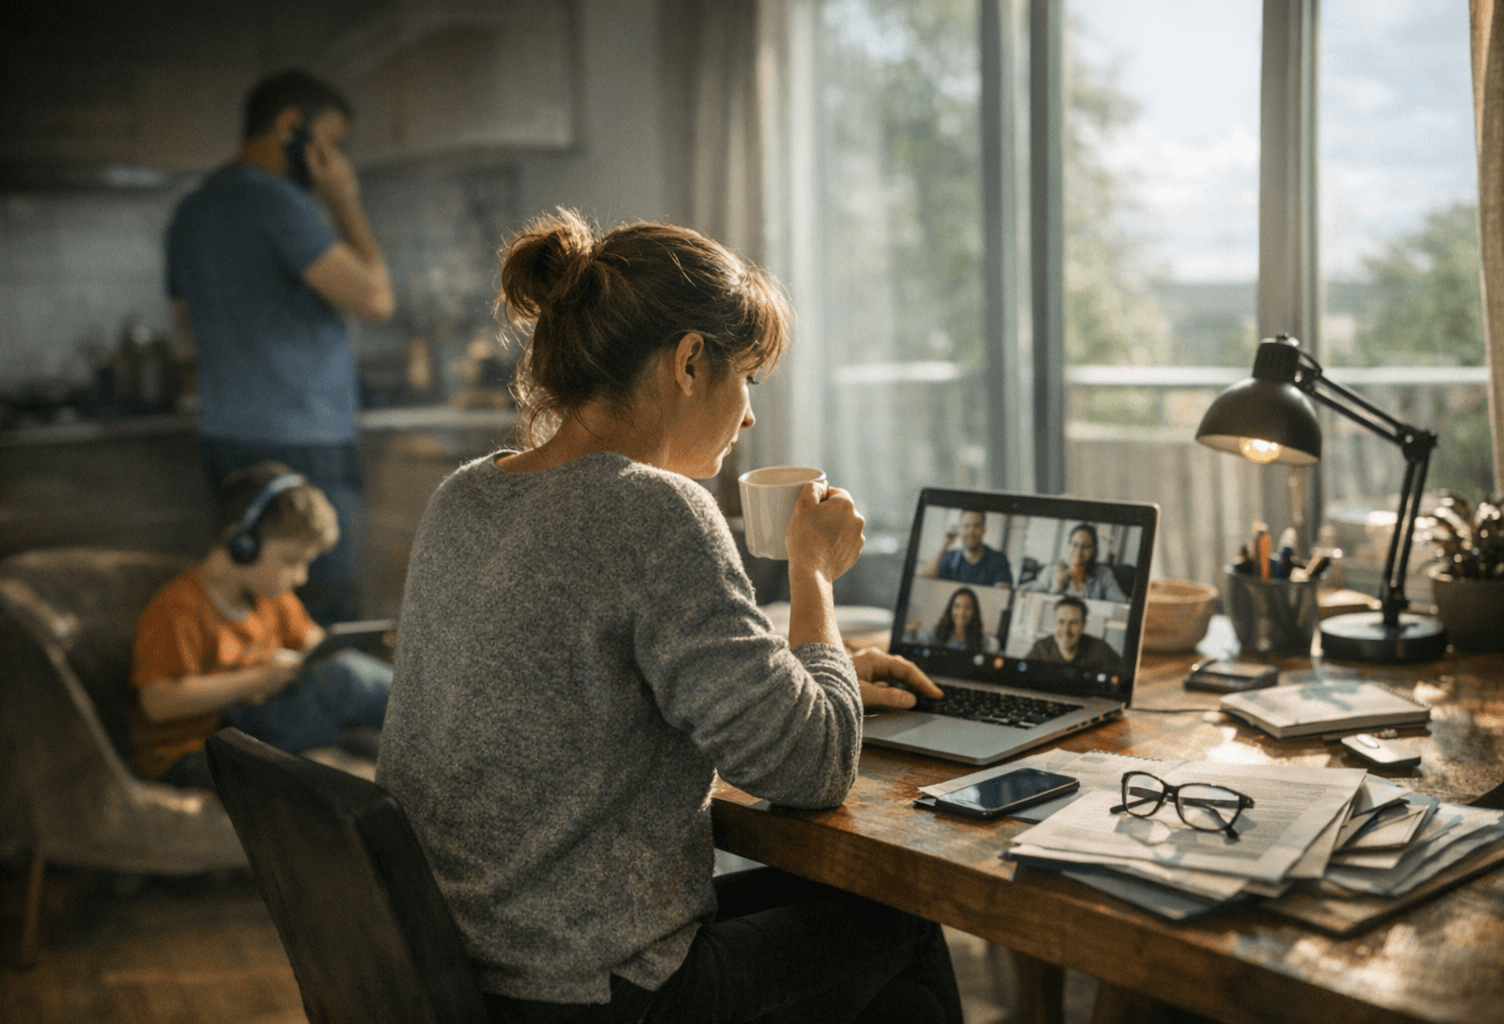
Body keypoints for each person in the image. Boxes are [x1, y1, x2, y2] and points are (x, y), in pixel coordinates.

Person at [375, 210, 963, 1024]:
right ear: (690, 362)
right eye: (748, 377)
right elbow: (815, 765)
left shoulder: (464, 495)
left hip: (457, 971)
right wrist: (812, 575)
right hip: (595, 993)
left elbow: (603, 683)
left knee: (861, 959)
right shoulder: (658, 511)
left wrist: (796, 672)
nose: (751, 415)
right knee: (900, 920)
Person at [164, 69, 395, 624]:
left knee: (251, 607)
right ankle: (332, 709)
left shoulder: (189, 211)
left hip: (224, 437)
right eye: (332, 143)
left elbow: (182, 327)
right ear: (291, 125)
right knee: (324, 609)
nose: (335, 161)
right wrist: (345, 202)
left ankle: (259, 710)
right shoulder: (277, 203)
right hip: (302, 440)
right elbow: (375, 297)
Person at [126, 461, 393, 792]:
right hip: (194, 755)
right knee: (343, 679)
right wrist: (259, 678)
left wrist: (347, 648)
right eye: (291, 560)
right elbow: (157, 702)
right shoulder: (178, 607)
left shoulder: (273, 598)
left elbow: (316, 646)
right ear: (242, 544)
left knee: (344, 681)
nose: (301, 577)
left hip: (249, 729)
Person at [1032, 523, 1128, 602]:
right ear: (1068, 546)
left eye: (1085, 546)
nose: (1079, 551)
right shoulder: (1050, 571)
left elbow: (1122, 602)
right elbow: (1030, 600)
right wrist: (1057, 589)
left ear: (1094, 550)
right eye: (1075, 544)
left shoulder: (1103, 574)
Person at [1025, 597, 1123, 672]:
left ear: (1083, 625)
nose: (1066, 630)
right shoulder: (1041, 648)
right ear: (1054, 623)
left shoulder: (1101, 650)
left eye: (1074, 623)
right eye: (1061, 622)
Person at [919, 509, 1013, 587]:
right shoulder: (949, 557)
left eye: (976, 526)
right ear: (959, 530)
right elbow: (924, 579)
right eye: (966, 526)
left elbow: (1003, 594)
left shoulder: (998, 559)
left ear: (983, 530)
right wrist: (944, 545)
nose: (971, 531)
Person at [911, 587, 997, 654]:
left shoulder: (983, 642)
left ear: (974, 612)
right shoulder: (931, 636)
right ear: (950, 610)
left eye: (967, 607)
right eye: (957, 606)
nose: (962, 612)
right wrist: (911, 632)